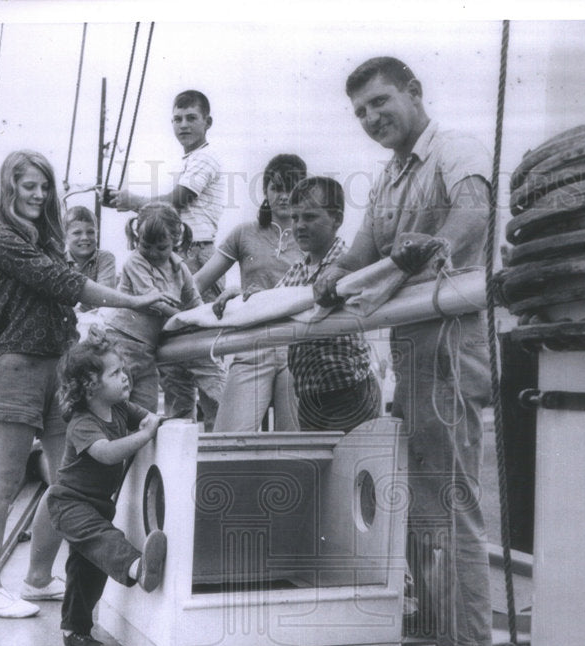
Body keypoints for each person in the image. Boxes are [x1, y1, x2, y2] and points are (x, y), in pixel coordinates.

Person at [313, 57, 494, 646]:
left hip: (450, 346)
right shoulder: (390, 178)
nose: (371, 118)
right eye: (360, 111)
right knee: (426, 501)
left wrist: (432, 243)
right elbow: (362, 249)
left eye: (381, 102)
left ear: (415, 93)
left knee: (451, 500)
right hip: (413, 354)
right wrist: (333, 275)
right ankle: (450, 637)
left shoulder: (454, 149)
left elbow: (473, 214)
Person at [0, 150, 177, 619]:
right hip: (17, 370)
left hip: (59, 368)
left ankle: (38, 578)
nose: (39, 195)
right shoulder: (2, 240)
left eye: (45, 187)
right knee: (2, 482)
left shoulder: (46, 239)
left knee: (65, 483)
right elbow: (68, 285)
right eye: (29, 186)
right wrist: (137, 299)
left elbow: (65, 299)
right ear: (10, 188)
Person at [106, 90, 227, 429]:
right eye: (177, 118)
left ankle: (220, 430)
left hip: (197, 254)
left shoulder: (206, 158)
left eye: (191, 117)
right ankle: (179, 431)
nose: (183, 124)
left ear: (208, 122)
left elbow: (179, 199)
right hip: (177, 254)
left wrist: (133, 201)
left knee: (203, 351)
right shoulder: (186, 161)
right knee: (173, 361)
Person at [222, 176, 380, 431]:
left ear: (337, 219)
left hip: (349, 393)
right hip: (309, 397)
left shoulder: (348, 263)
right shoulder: (298, 269)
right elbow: (271, 302)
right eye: (295, 218)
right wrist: (242, 294)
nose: (299, 226)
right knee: (314, 466)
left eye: (309, 217)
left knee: (350, 465)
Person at [46, 336, 167, 646]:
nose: (125, 376)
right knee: (105, 539)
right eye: (115, 373)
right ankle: (138, 568)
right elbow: (108, 454)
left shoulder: (120, 408)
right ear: (90, 386)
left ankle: (76, 630)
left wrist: (160, 424)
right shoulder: (82, 422)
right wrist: (145, 434)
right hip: (69, 503)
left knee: (88, 573)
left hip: (99, 505)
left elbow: (148, 419)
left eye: (123, 370)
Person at [193, 154, 306, 432]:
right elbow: (197, 284)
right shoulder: (244, 233)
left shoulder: (311, 237)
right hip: (253, 344)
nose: (284, 195)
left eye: (292, 187)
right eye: (277, 187)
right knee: (228, 441)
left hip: (299, 347)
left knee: (296, 449)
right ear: (265, 191)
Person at [102, 202, 202, 413]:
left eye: (161, 247)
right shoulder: (135, 262)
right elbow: (153, 301)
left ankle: (141, 443)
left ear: (175, 241)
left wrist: (204, 319)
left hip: (148, 350)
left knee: (145, 409)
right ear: (137, 239)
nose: (153, 253)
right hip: (122, 341)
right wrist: (185, 319)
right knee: (116, 402)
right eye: (146, 246)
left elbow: (194, 301)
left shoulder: (180, 268)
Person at [64, 205, 117, 296]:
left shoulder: (105, 258)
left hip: (97, 310)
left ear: (97, 233)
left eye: (90, 232)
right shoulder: (58, 261)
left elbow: (104, 295)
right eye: (77, 233)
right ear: (65, 237)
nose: (85, 238)